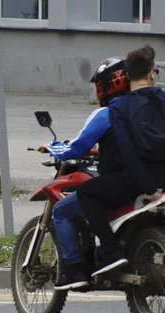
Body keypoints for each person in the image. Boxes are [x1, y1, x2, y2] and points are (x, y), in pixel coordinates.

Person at [76, 45, 165, 277]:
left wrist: (147, 187)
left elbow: (127, 151)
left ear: (127, 76)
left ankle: (111, 252)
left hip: (138, 182)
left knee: (85, 193)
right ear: (153, 73)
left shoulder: (119, 107)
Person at [40, 57, 130, 290]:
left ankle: (75, 270)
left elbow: (76, 148)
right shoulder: (144, 109)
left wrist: (54, 147)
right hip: (152, 179)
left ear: (106, 85)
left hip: (119, 181)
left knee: (61, 211)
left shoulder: (105, 114)